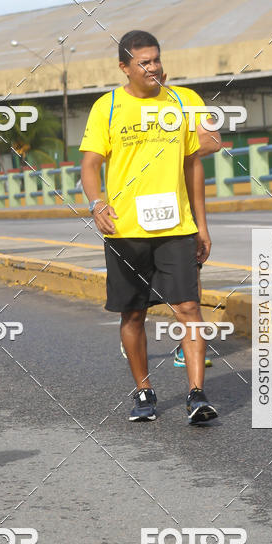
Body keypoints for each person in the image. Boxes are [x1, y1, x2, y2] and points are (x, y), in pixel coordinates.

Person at [81, 29, 218, 424]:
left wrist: (202, 227)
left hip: (176, 226)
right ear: (124, 67)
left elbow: (199, 160)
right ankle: (144, 391)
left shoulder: (183, 100)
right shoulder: (106, 108)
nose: (154, 67)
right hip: (126, 229)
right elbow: (90, 164)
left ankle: (197, 394)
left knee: (189, 308)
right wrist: (96, 203)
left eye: (157, 59)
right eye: (144, 62)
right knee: (134, 314)